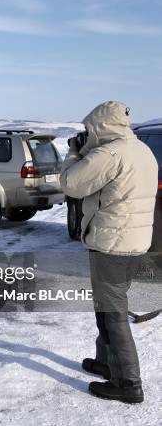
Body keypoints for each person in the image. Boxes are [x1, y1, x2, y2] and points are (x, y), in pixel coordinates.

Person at [60, 101, 158, 404]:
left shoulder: (110, 153)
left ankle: (129, 383)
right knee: (107, 306)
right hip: (134, 242)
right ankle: (106, 362)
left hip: (111, 245)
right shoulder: (141, 149)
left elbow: (71, 184)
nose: (87, 133)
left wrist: (76, 152)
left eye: (90, 129)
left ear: (101, 126)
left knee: (113, 314)